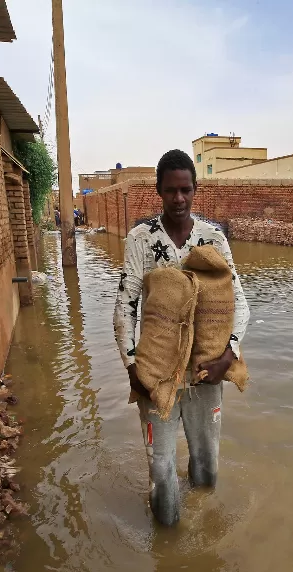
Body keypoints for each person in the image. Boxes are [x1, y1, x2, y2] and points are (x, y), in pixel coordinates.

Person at [113, 149, 250, 526]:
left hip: (207, 373)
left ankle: (207, 526)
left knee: (206, 464)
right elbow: (125, 306)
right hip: (156, 375)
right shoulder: (141, 239)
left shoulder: (213, 239)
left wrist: (228, 355)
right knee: (161, 468)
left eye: (186, 190)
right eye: (171, 190)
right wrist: (131, 368)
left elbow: (240, 303)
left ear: (195, 190)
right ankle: (168, 540)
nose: (179, 198)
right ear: (159, 190)